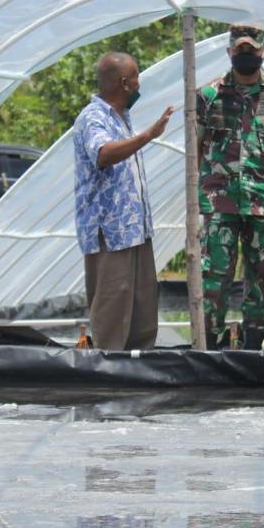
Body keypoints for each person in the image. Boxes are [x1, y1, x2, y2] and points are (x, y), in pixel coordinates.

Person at [196, 25, 264, 350]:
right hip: (219, 202)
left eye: (251, 50)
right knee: (214, 276)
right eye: (240, 50)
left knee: (260, 276)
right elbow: (196, 146)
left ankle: (254, 345)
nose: (245, 55)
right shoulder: (208, 96)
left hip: (262, 201)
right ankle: (210, 346)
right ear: (229, 52)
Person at [72, 52, 174, 350]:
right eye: (137, 77)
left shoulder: (121, 118)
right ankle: (109, 372)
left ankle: (139, 367)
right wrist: (149, 135)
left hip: (135, 231)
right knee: (113, 309)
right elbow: (103, 154)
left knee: (142, 309)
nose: (140, 84)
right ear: (125, 83)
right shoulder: (93, 117)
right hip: (111, 233)